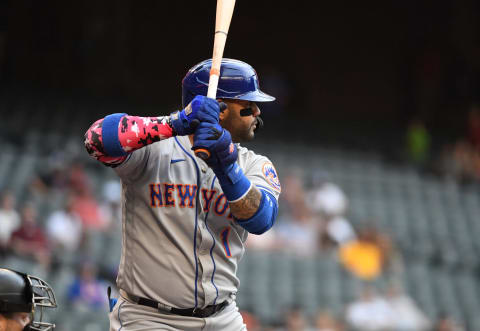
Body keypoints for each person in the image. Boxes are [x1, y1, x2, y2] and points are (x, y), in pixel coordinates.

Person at [84, 58, 281, 330]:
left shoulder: (253, 165)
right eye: (247, 105)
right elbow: (95, 140)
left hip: (222, 318)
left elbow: (261, 220)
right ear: (219, 108)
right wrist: (176, 122)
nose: (257, 111)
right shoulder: (154, 150)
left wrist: (227, 166)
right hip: (150, 318)